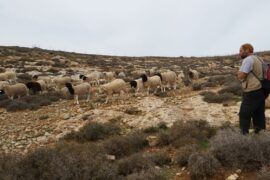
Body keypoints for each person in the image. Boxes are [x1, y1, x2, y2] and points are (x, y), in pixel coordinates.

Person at [237, 43, 266, 134]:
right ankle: (261, 137)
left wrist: (238, 73)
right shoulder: (259, 58)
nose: (239, 53)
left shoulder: (248, 59)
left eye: (241, 51)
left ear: (247, 50)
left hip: (252, 91)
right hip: (261, 90)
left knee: (244, 114)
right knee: (259, 115)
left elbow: (242, 75)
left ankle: (243, 138)